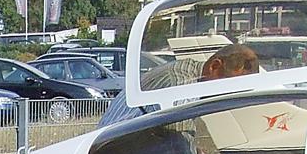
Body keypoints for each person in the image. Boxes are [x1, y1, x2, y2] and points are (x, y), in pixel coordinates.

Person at [100, 45, 260, 126]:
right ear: (215, 66)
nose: (227, 96)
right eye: (229, 88)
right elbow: (179, 139)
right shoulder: (183, 85)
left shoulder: (189, 73)